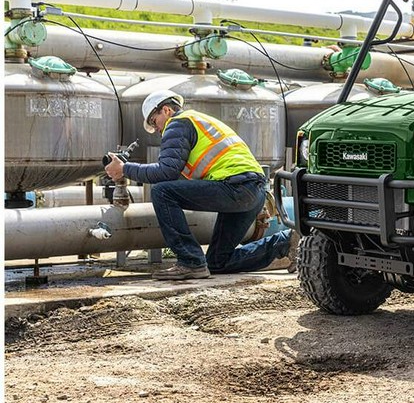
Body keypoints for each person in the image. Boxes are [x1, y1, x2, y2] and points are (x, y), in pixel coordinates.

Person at [104, 89, 292, 280]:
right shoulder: (198, 121)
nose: (157, 129)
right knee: (218, 262)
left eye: (154, 121)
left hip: (236, 187)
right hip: (254, 190)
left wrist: (125, 169)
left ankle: (190, 261)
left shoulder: (177, 124)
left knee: (162, 192)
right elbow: (180, 177)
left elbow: (165, 172)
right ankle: (287, 242)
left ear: (166, 110)